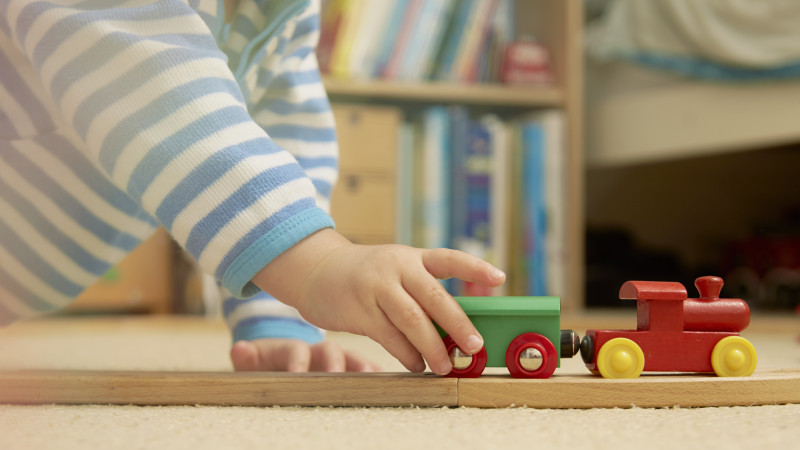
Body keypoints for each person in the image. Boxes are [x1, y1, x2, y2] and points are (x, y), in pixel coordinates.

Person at [0, 0, 505, 376]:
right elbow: (151, 82)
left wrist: (280, 313)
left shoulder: (285, 13)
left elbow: (286, 136)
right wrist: (317, 265)